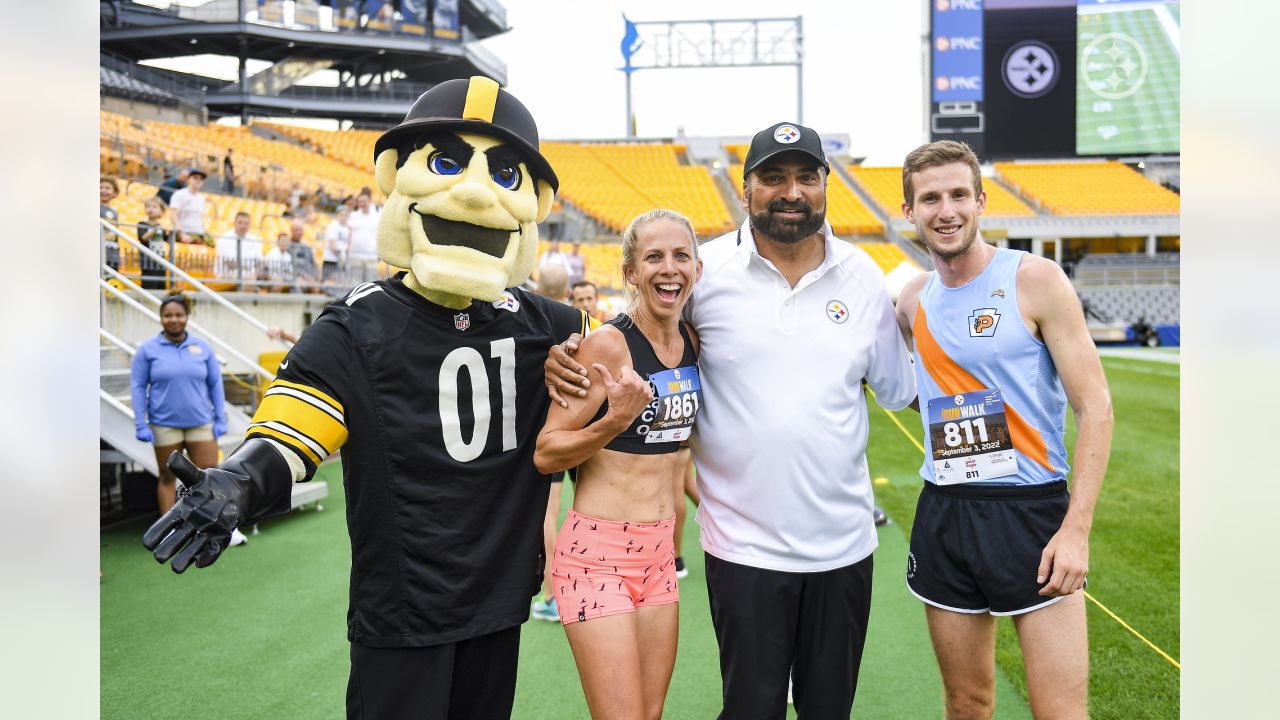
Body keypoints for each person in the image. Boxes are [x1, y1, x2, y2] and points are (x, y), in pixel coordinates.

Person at [142, 76, 588, 720]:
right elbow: (291, 431)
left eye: (503, 175)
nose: (472, 190)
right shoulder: (357, 327)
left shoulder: (545, 323)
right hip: (404, 609)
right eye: (444, 164)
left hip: (498, 602)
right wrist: (238, 482)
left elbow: (632, 356)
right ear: (396, 177)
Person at [546, 122, 917, 718]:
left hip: (842, 546)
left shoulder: (864, 276)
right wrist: (567, 352)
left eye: (806, 177)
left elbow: (900, 391)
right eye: (773, 177)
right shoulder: (704, 271)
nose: (790, 191)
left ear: (826, 187)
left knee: (830, 711)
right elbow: (640, 327)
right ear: (746, 192)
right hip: (742, 547)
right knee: (750, 709)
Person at [895, 140, 1113, 720]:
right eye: (930, 198)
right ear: (908, 212)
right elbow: (926, 392)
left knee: (1060, 711)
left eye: (959, 195)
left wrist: (1077, 530)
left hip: (1032, 514)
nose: (946, 210)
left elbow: (1095, 406)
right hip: (947, 511)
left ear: (981, 200)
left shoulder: (1035, 280)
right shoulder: (912, 299)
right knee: (967, 703)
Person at [534, 209, 703, 720]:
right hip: (597, 556)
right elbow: (546, 452)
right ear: (630, 271)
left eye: (680, 256)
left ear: (696, 268)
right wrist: (614, 420)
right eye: (653, 257)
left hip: (659, 557)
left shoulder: (693, 342)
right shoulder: (609, 343)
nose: (668, 268)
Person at [130, 295, 246, 546]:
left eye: (178, 315)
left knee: (211, 476)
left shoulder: (202, 348)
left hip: (200, 422)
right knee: (167, 476)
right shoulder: (147, 350)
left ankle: (225, 527)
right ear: (161, 318)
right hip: (164, 424)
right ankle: (168, 531)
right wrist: (141, 422)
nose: (173, 319)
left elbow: (215, 384)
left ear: (187, 317)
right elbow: (138, 387)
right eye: (168, 315)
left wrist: (219, 418)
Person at [217, 211, 264, 290]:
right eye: (240, 222)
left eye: (246, 223)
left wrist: (254, 272)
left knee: (271, 279)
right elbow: (230, 264)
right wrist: (250, 267)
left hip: (250, 275)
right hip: (227, 275)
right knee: (251, 279)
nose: (243, 226)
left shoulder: (254, 239)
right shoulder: (225, 238)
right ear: (234, 223)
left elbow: (260, 262)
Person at [169, 167, 215, 246]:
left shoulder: (201, 198)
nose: (198, 180)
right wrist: (182, 234)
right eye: (195, 178)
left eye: (201, 179)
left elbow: (199, 219)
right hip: (184, 231)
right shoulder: (179, 194)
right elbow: (173, 216)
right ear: (188, 179)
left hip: (199, 233)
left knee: (212, 244)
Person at [137, 196, 173, 290]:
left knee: (160, 285)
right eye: (148, 206)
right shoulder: (142, 224)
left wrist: (169, 232)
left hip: (160, 260)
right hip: (147, 261)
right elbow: (143, 238)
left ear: (161, 211)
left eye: (154, 207)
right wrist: (155, 230)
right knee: (149, 285)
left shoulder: (161, 227)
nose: (150, 209)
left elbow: (168, 240)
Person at [347, 191, 382, 283]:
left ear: (369, 201)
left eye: (364, 201)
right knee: (355, 283)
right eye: (360, 201)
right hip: (355, 256)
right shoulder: (353, 216)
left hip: (371, 257)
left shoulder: (377, 217)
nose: (362, 204)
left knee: (371, 283)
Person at [285, 218, 320, 291]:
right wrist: (300, 276)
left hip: (307, 276)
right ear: (291, 231)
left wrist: (316, 277)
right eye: (296, 230)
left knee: (316, 286)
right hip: (292, 276)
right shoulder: (286, 246)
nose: (299, 232)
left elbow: (313, 264)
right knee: (299, 283)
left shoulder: (306, 247)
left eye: (301, 230)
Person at [322, 205, 352, 288]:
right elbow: (332, 244)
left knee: (340, 282)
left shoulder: (346, 228)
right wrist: (341, 257)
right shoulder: (333, 226)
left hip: (341, 260)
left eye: (346, 215)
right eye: (341, 215)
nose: (344, 217)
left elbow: (348, 243)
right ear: (337, 215)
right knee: (330, 282)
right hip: (331, 259)